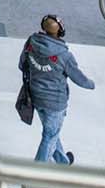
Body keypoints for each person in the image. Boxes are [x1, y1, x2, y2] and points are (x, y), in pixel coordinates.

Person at [20, 14, 93, 165]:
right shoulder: (64, 56)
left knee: (51, 131)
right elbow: (79, 79)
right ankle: (37, 177)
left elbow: (22, 64)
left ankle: (62, 162)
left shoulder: (31, 43)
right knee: (49, 135)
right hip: (55, 102)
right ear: (60, 31)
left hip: (35, 97)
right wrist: (91, 84)